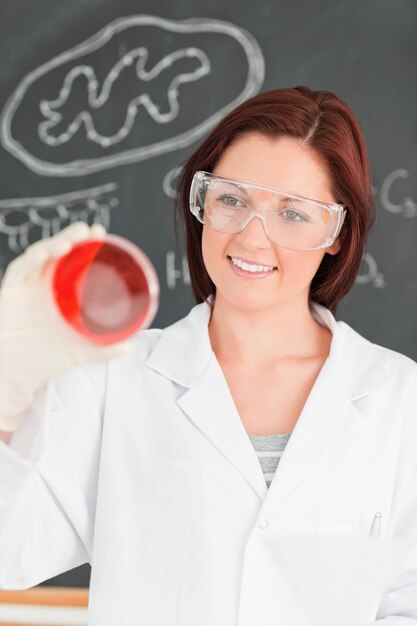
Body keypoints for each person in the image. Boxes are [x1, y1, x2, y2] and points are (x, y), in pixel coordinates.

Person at [0, 87, 416, 625]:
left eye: (292, 214)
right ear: (202, 202)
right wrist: (8, 392)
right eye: (232, 200)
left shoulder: (398, 400)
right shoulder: (111, 380)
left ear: (336, 233)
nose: (251, 237)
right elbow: (10, 548)